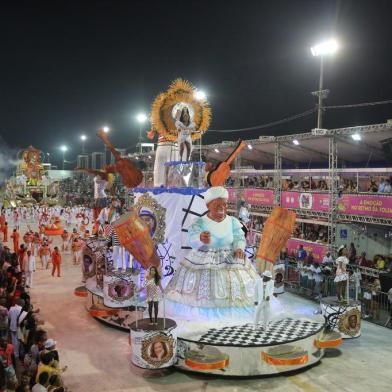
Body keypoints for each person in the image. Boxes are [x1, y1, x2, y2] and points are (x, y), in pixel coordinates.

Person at [165, 186, 261, 314]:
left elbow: (239, 237)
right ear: (209, 206)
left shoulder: (232, 221)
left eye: (224, 204)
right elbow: (191, 240)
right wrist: (200, 238)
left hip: (229, 257)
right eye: (217, 205)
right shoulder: (200, 222)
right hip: (204, 257)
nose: (222, 208)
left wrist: (238, 248)